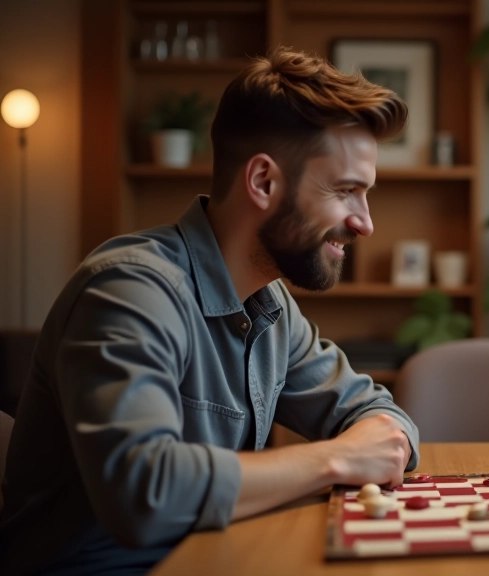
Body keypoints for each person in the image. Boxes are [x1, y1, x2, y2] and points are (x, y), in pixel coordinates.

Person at [0, 47, 420, 575]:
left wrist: (380, 437)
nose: (365, 223)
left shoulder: (269, 304)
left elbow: (376, 414)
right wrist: (337, 458)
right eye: (346, 191)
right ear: (263, 182)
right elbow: (145, 496)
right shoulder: (129, 290)